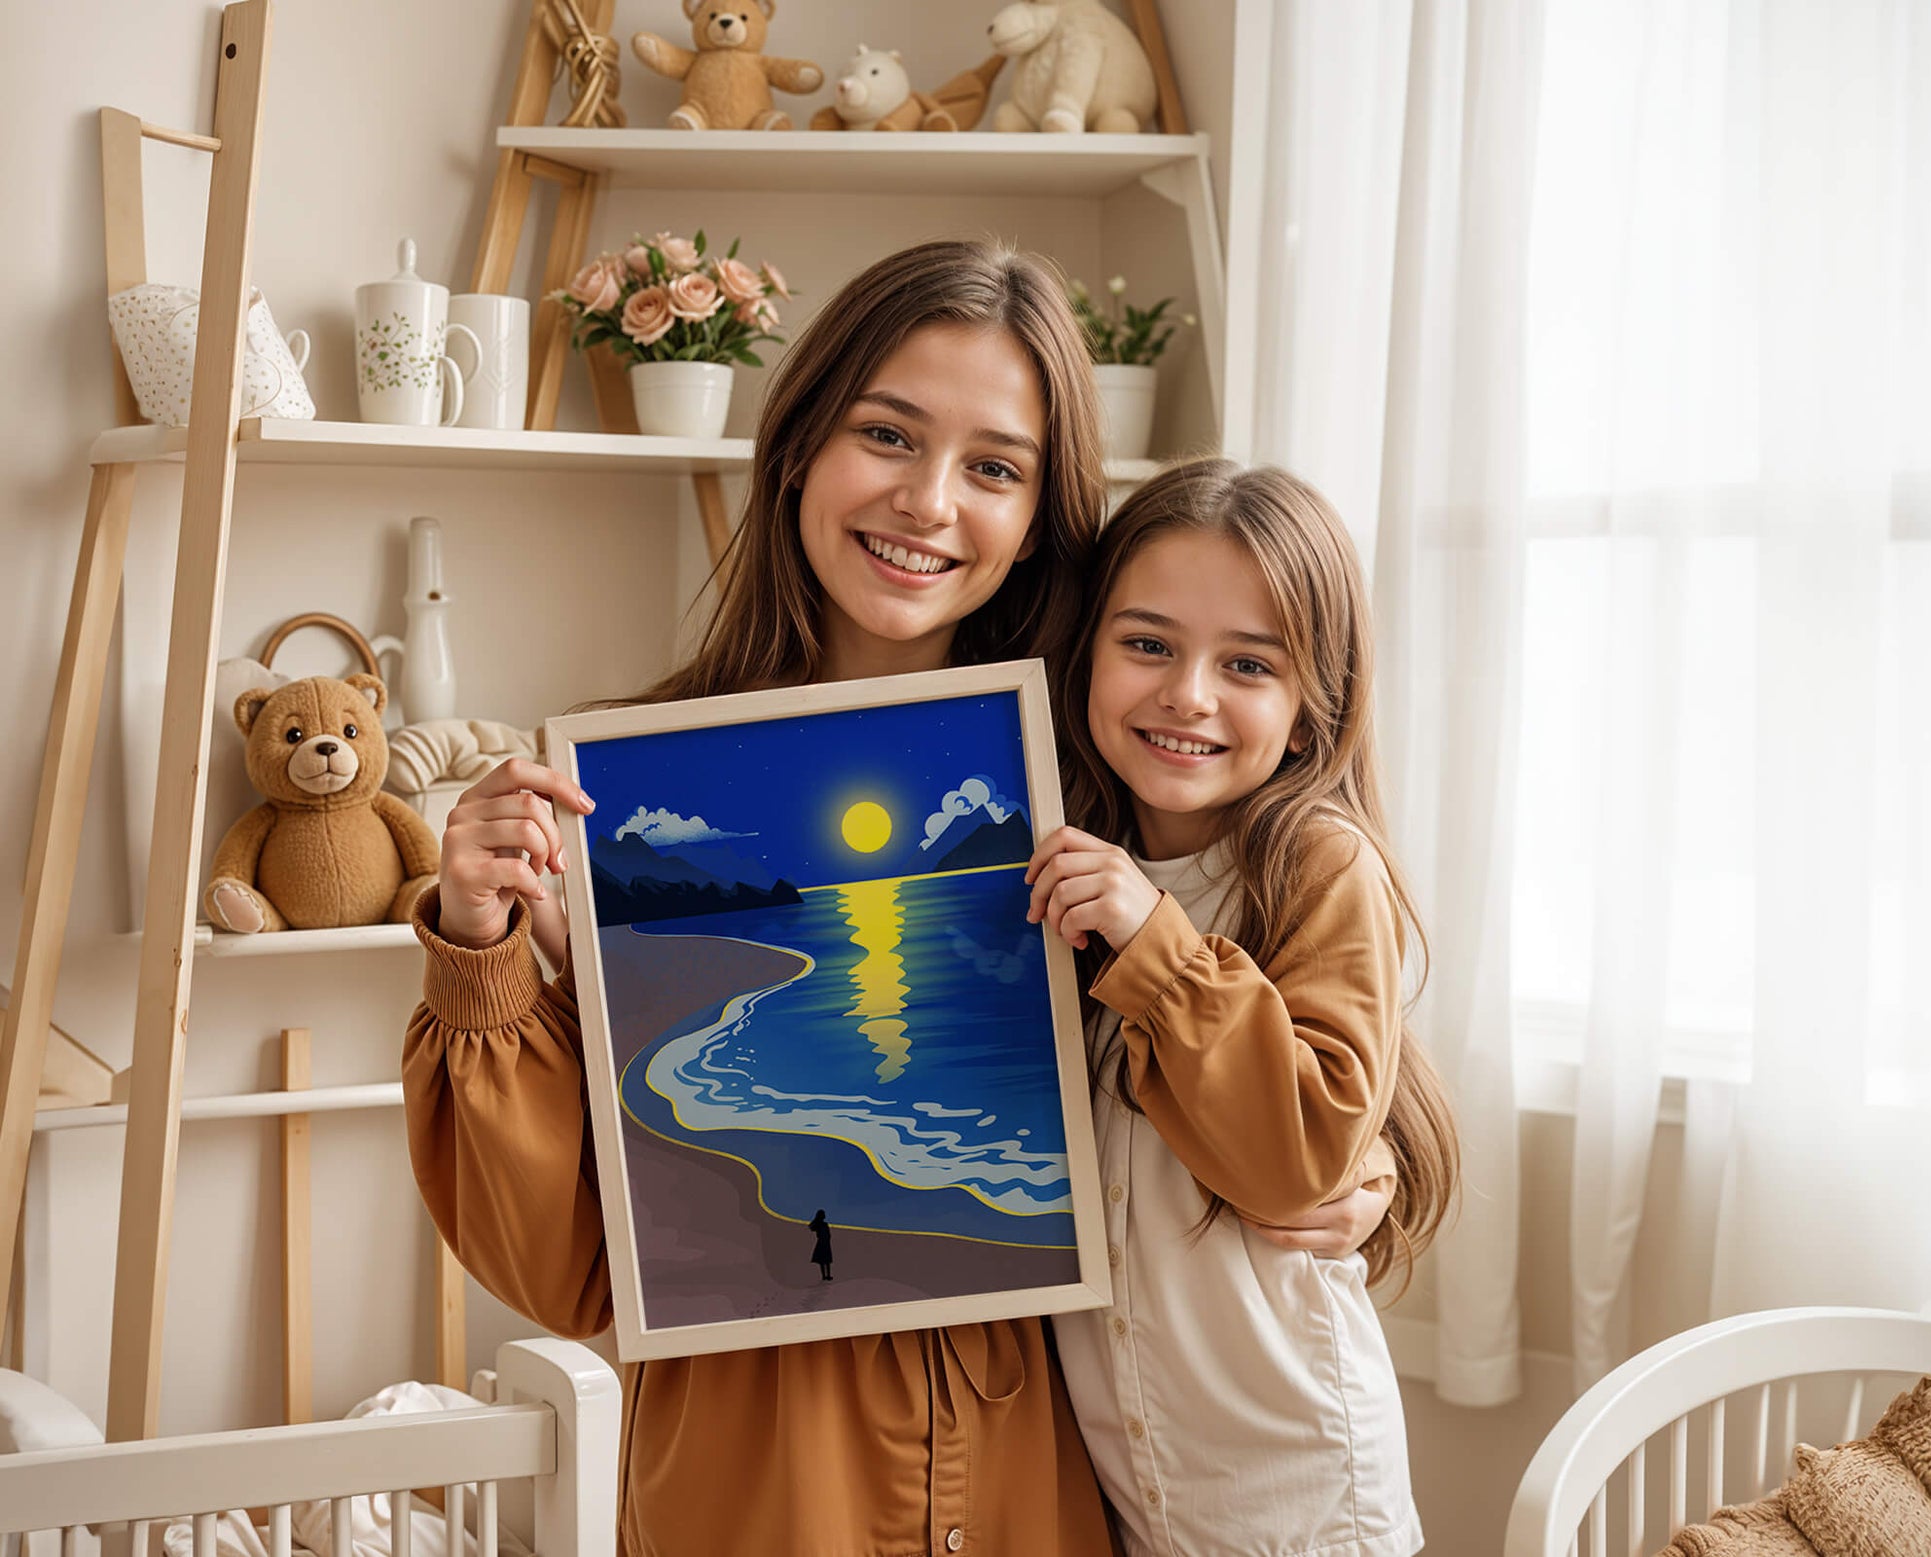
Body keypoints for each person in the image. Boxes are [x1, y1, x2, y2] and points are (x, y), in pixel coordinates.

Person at [402, 242, 1396, 1557]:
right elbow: (562, 1267)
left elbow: (1310, 1046)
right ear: (802, 442)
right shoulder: (623, 797)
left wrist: (1356, 1163)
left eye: (993, 466)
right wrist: (480, 955)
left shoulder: (1098, 779)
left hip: (1034, 1479)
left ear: (1042, 513)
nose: (929, 501)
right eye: (888, 434)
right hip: (759, 1480)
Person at [1027, 458, 1461, 1557]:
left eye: (1246, 665)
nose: (1187, 694)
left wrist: (1152, 941)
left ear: (1310, 712)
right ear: (1085, 658)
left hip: (1298, 1498)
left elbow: (1298, 1156)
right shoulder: (1057, 856)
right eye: (1147, 645)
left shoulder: (1316, 863)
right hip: (1127, 1482)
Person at [807, 1208, 834, 1281]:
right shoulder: (819, 1224)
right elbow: (810, 1226)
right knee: (823, 1260)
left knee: (826, 1260)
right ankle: (824, 1276)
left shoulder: (824, 1224)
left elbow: (828, 1234)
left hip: (825, 1242)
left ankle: (827, 1275)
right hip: (822, 1242)